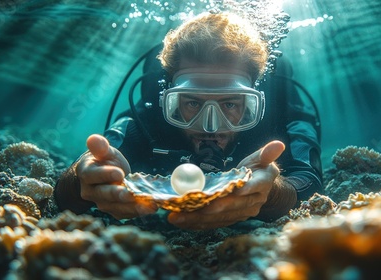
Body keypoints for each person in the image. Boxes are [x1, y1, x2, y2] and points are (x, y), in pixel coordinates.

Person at [54, 12, 322, 230]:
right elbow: (87, 169)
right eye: (192, 102)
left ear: (255, 101)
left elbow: (308, 181)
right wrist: (81, 181)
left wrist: (273, 193)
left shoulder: (282, 120)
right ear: (166, 100)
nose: (210, 127)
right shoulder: (147, 118)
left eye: (230, 104)